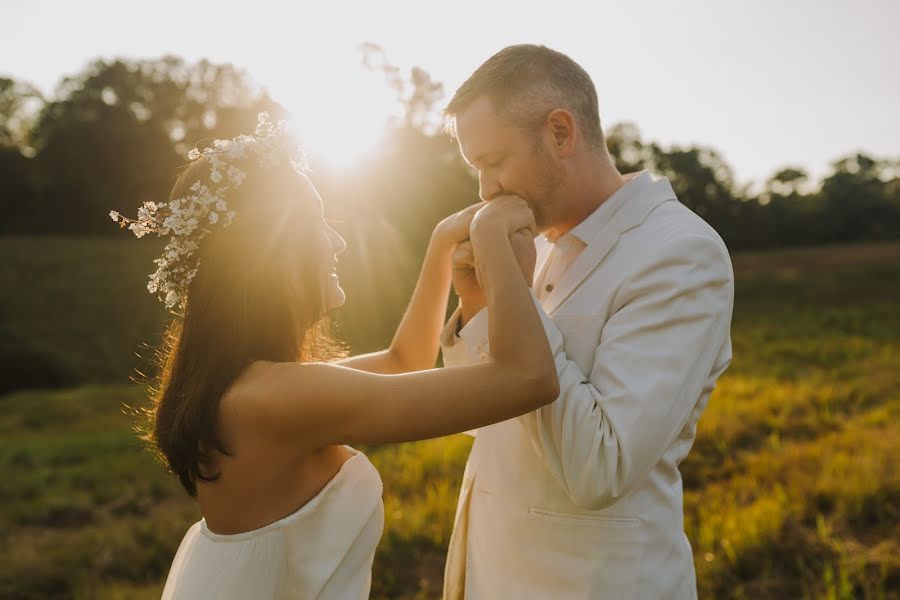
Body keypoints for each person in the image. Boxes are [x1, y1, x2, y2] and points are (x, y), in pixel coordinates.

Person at [110, 113, 558, 599]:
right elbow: (529, 377)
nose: (339, 240)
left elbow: (403, 363)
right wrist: (494, 244)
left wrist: (440, 245)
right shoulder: (279, 397)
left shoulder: (251, 386)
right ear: (272, 254)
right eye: (319, 223)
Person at [438, 45, 735, 599]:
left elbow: (601, 466)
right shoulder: (537, 246)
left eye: (494, 161)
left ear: (559, 133)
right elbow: (490, 423)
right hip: (492, 575)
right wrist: (481, 305)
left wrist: (513, 300)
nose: (485, 190)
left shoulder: (680, 253)